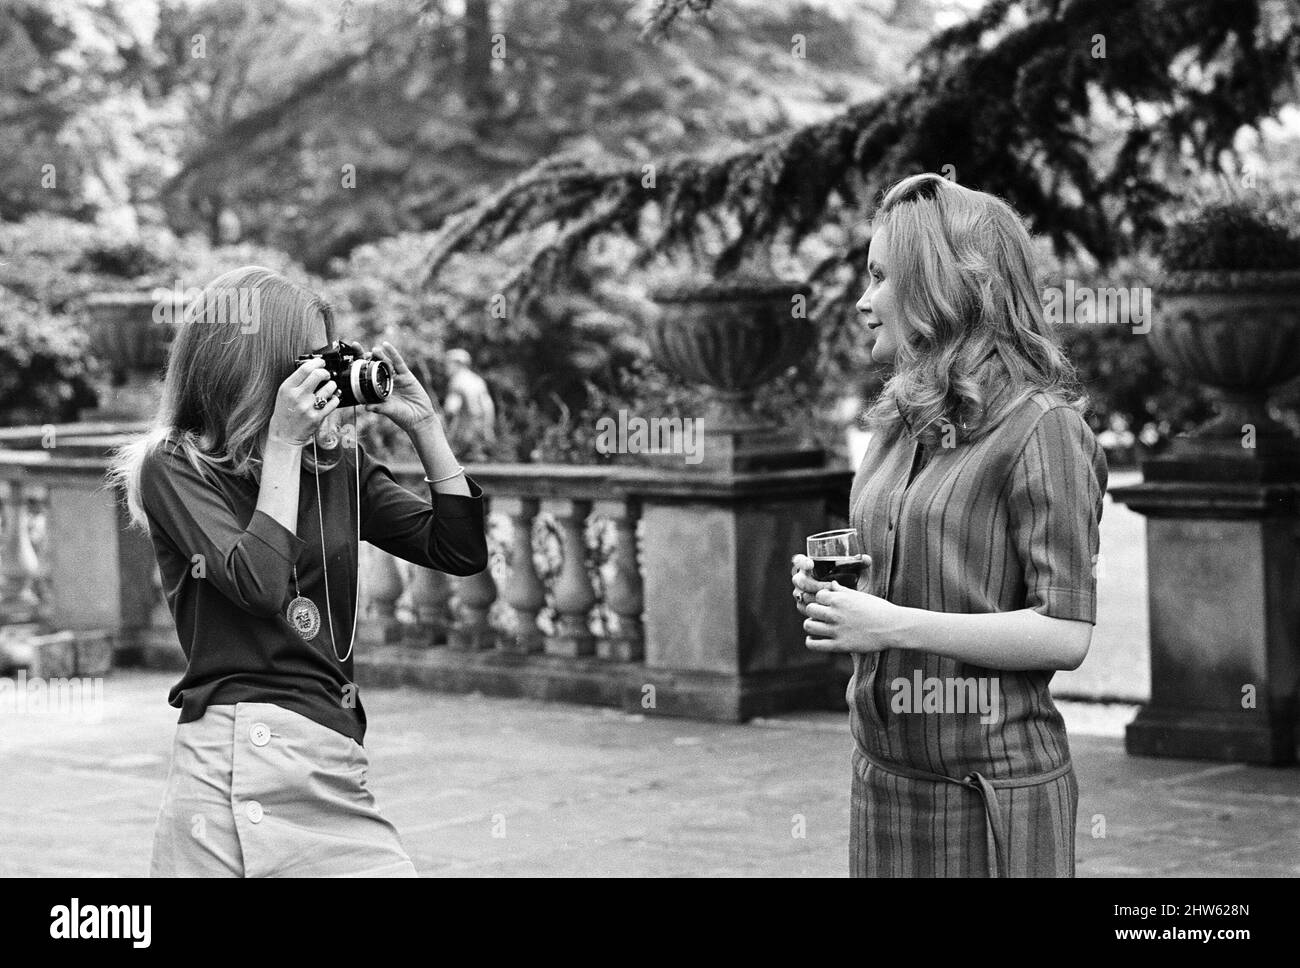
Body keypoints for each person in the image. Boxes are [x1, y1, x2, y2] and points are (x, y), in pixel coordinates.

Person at [109, 265, 488, 877]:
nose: (326, 375)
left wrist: (424, 427)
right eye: (307, 357)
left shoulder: (338, 467)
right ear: (255, 364)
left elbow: (458, 549)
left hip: (330, 750)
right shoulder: (177, 466)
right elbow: (258, 584)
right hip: (236, 756)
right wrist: (283, 445)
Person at [791, 174, 1106, 878]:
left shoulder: (1042, 430)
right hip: (883, 783)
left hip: (989, 801)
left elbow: (1067, 633)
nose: (864, 303)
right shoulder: (896, 425)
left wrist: (891, 625)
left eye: (879, 278)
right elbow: (912, 571)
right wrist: (838, 593)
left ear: (937, 284)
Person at [442, 348, 496, 460]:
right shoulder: (478, 380)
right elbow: (488, 406)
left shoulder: (457, 381)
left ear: (457, 364)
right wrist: (488, 428)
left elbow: (451, 409)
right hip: (479, 430)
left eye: (447, 363)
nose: (445, 368)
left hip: (464, 433)